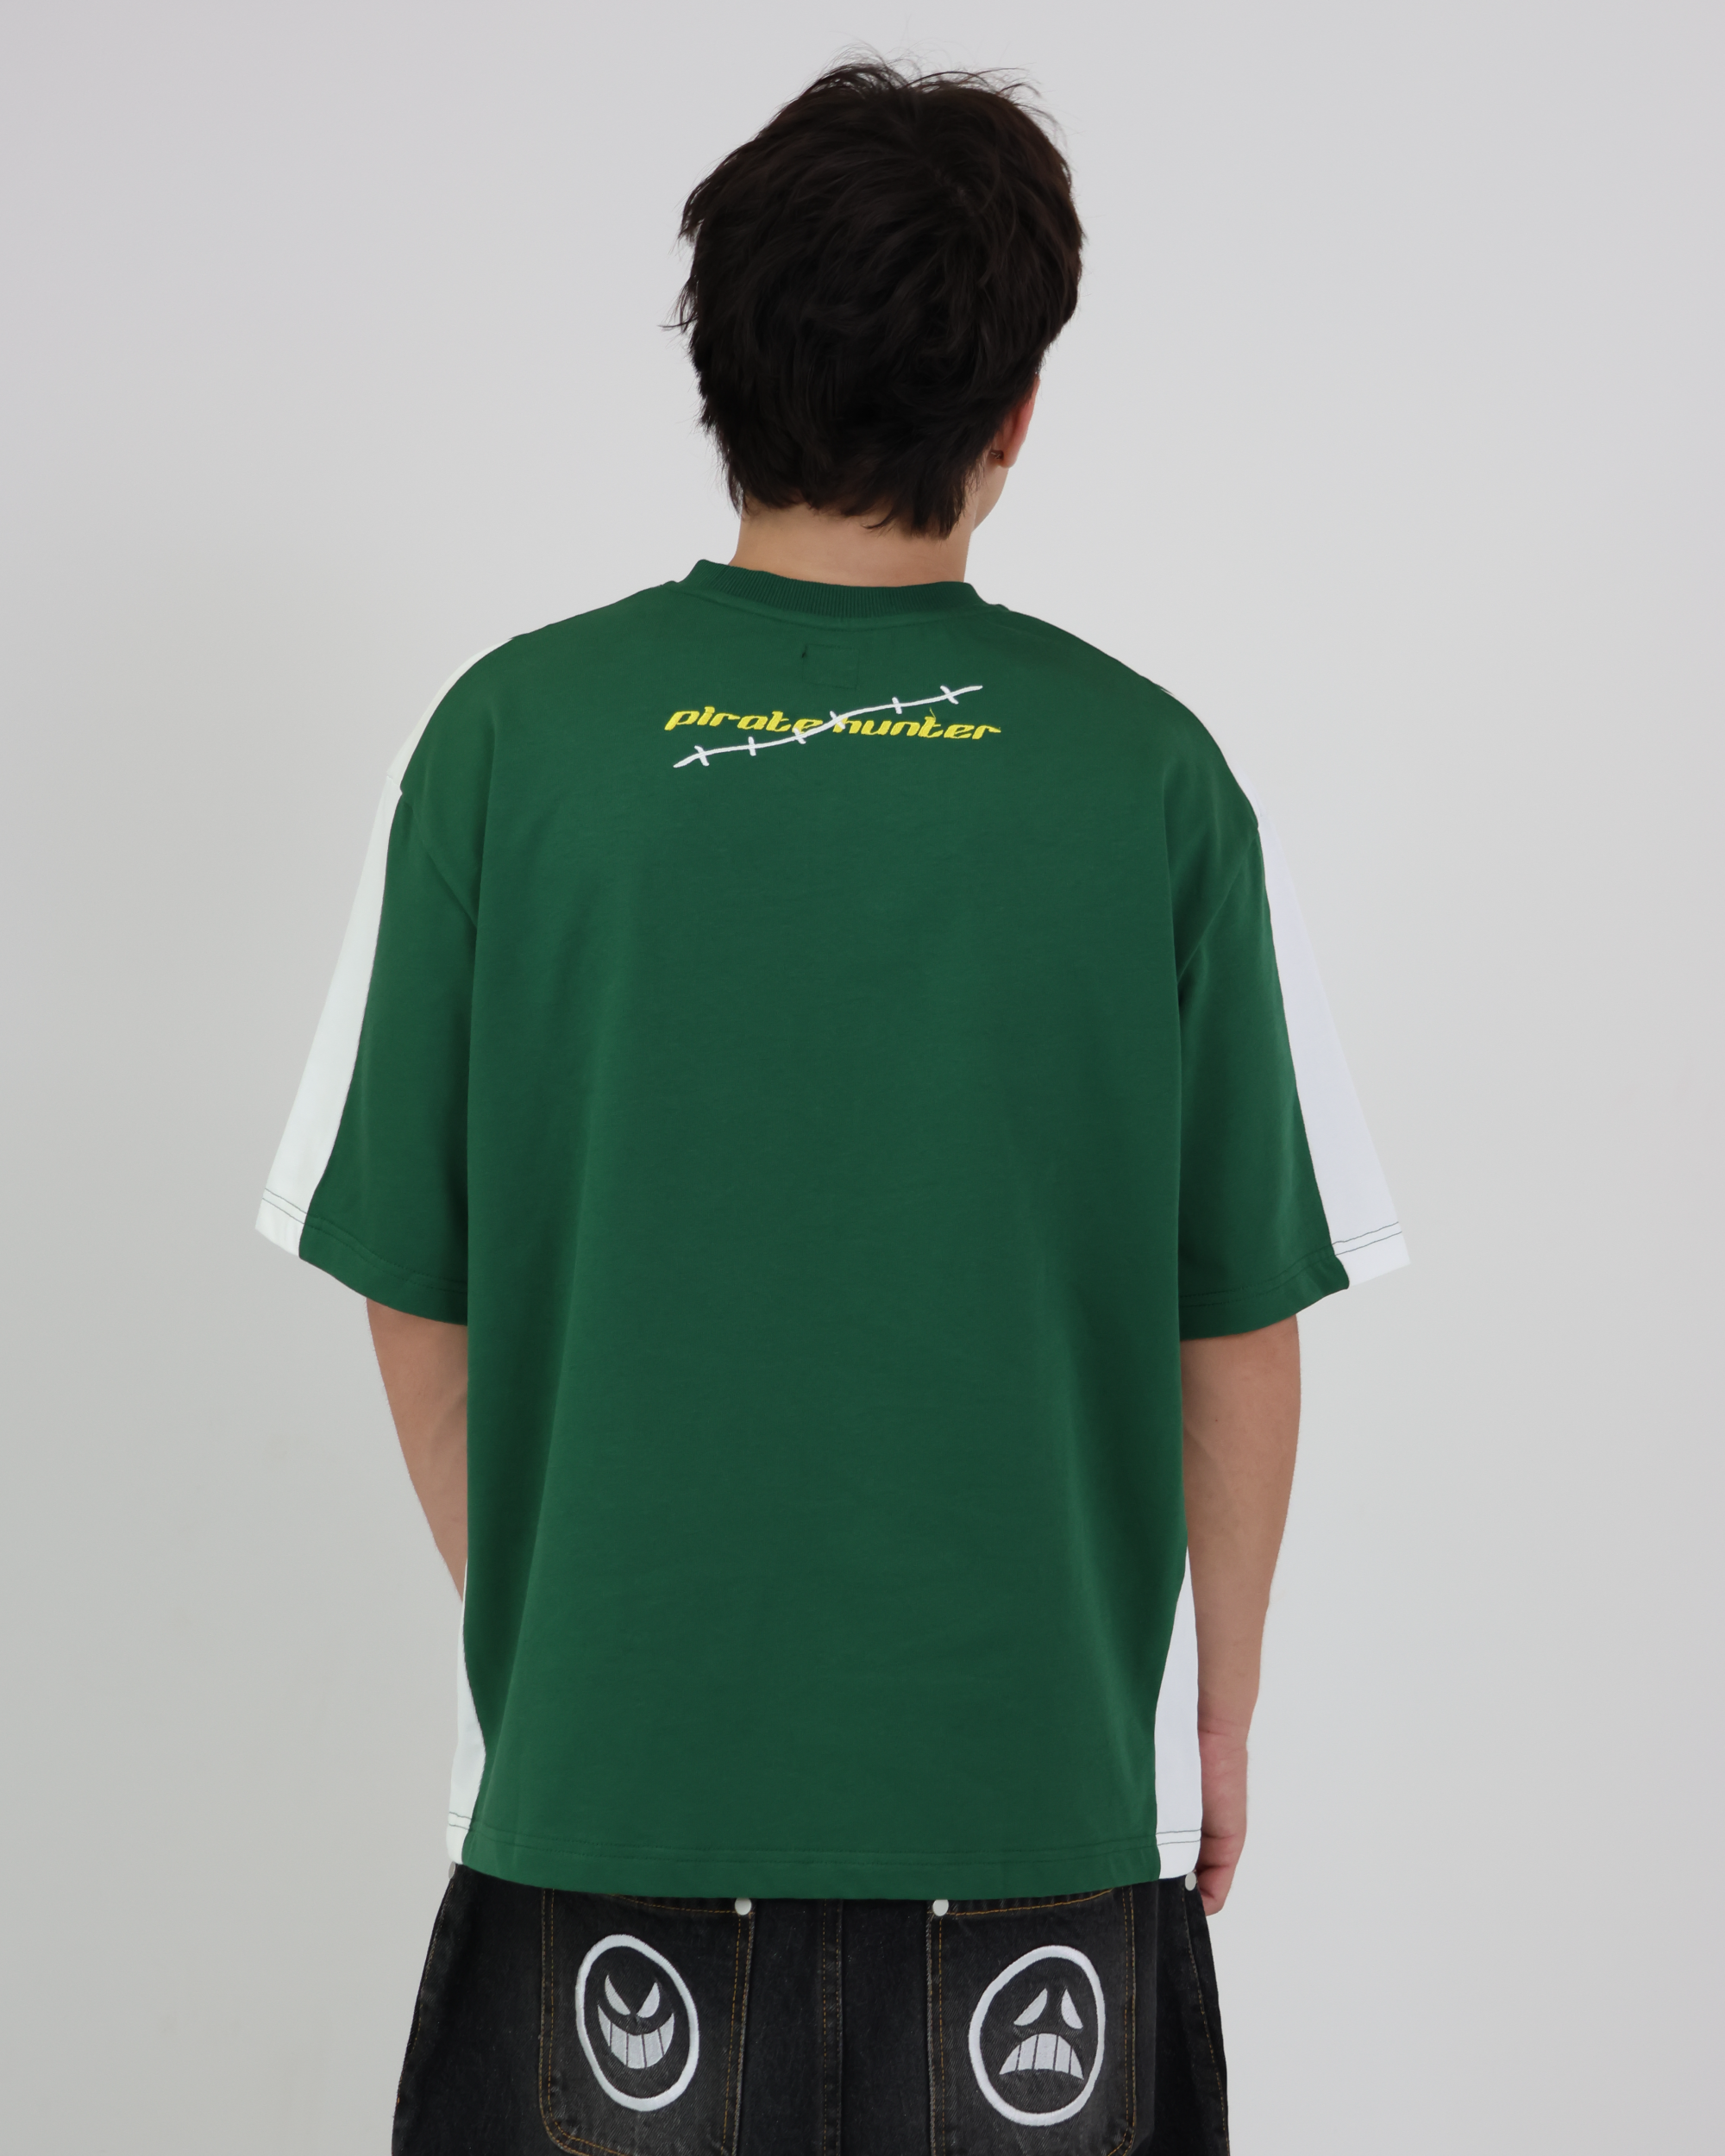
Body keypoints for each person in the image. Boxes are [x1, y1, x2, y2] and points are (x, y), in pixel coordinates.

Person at [259, 60, 1406, 2156]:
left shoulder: (509, 749)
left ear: (715, 368)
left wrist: (561, 1618)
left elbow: (408, 1277)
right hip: (1034, 1823)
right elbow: (1235, 1326)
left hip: (602, 1815)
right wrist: (1215, 1719)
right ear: (1017, 408)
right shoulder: (1151, 780)